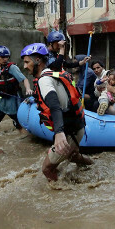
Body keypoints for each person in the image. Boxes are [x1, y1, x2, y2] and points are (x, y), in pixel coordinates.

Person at [21, 43, 93, 182]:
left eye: (26, 62)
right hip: (76, 126)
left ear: (37, 60)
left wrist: (59, 133)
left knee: (47, 169)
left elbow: (54, 106)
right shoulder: (50, 72)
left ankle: (60, 195)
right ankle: (93, 166)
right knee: (74, 157)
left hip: (69, 131)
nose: (24, 66)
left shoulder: (44, 81)